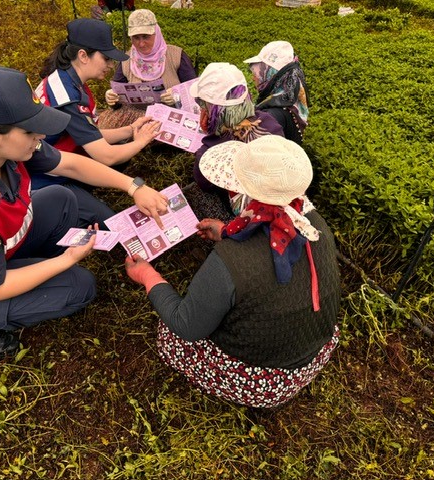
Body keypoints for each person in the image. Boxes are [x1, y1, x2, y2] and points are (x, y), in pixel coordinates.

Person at [0, 66, 169, 360]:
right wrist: (65, 260)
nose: (40, 134)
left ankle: (31, 264)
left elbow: (71, 164)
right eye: (29, 129)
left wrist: (134, 187)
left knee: (61, 198)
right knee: (79, 287)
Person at [125, 135, 341, 409]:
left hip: (266, 382)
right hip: (316, 353)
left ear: (242, 193)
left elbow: (186, 325)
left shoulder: (232, 259)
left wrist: (146, 275)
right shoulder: (314, 222)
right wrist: (227, 232)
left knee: (171, 335)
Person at [37, 18, 161, 227]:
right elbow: (105, 155)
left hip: (66, 159)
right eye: (106, 58)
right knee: (110, 224)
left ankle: (83, 191)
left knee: (123, 148)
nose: (111, 66)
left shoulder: (70, 80)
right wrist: (140, 142)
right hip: (46, 178)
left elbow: (91, 134)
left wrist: (130, 130)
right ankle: (70, 202)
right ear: (83, 56)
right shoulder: (66, 97)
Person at [185, 62, 284, 219]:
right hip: (282, 195)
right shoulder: (269, 122)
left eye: (201, 103)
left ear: (213, 110)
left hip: (249, 217)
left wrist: (211, 135)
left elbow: (205, 184)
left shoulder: (208, 154)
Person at [102, 9, 197, 128]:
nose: (141, 43)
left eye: (146, 37)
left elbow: (195, 91)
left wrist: (177, 96)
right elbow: (118, 93)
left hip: (172, 121)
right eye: (136, 38)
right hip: (138, 122)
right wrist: (112, 98)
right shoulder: (127, 60)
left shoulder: (176, 55)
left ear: (156, 33)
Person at [244, 41, 310, 145]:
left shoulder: (271, 116)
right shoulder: (289, 101)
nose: (254, 78)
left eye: (259, 73)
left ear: (271, 75)